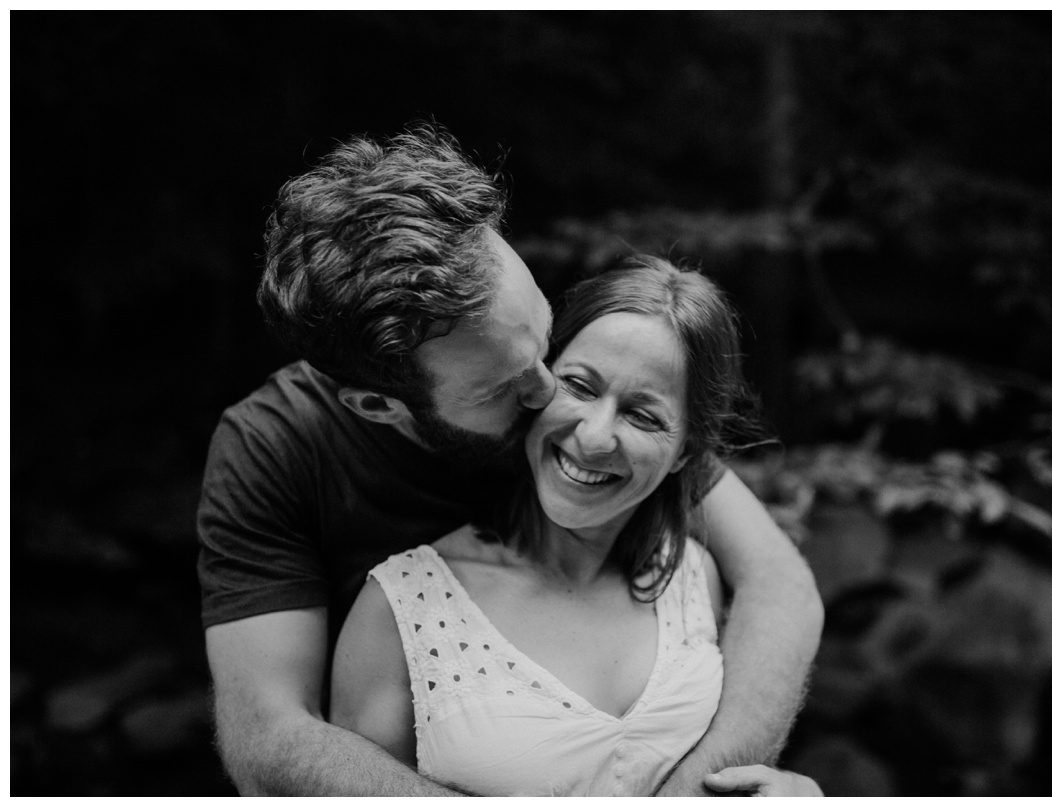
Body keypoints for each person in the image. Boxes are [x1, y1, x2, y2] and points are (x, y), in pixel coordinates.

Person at [197, 123, 823, 796]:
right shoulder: (275, 449)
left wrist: (708, 790)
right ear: (381, 407)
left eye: (547, 342)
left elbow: (777, 581)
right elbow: (270, 733)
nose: (551, 390)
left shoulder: (532, 347)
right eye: (506, 385)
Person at [330, 257, 823, 796]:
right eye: (580, 386)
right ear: (536, 383)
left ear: (687, 455)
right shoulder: (404, 607)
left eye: (643, 415)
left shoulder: (692, 577)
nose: (594, 438)